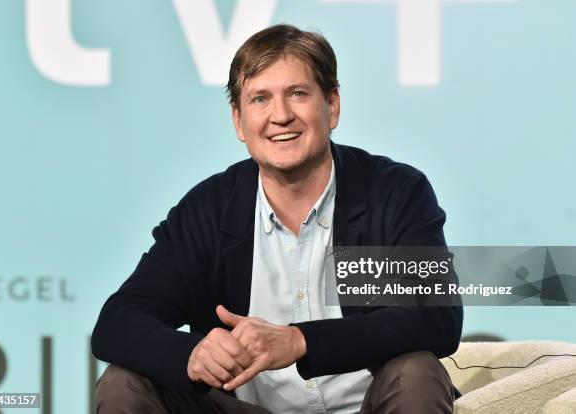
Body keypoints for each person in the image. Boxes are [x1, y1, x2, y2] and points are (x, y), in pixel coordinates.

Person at [91, 24, 463, 414]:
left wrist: (301, 341)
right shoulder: (210, 209)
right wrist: (191, 353)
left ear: (332, 105)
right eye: (260, 99)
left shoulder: (391, 192)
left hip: (370, 407)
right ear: (238, 121)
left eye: (298, 94)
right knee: (123, 381)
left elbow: (435, 315)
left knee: (417, 371)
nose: (280, 115)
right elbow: (118, 320)